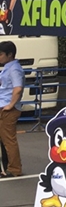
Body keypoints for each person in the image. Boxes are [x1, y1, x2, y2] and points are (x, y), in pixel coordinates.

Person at [0, 41, 24, 177]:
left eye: (1, 54)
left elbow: (18, 88)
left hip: (8, 108)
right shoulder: (8, 67)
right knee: (4, 139)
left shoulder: (14, 69)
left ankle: (14, 169)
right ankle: (6, 166)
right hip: (3, 105)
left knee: (8, 139)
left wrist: (10, 105)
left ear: (10, 55)